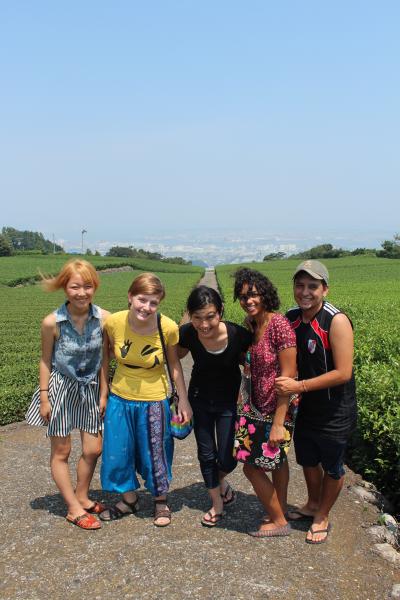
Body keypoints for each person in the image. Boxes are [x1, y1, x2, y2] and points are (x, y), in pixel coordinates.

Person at [99, 272, 192, 527]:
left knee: (156, 451)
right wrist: (104, 393)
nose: (147, 308)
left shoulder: (168, 327)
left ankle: (160, 500)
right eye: (142, 300)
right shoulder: (114, 323)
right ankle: (129, 499)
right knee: (118, 451)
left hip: (154, 398)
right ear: (130, 297)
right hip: (120, 397)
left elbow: (174, 365)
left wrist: (183, 400)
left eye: (153, 303)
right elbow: (105, 359)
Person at [275, 260, 357, 544]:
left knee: (332, 465)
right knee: (308, 460)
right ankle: (312, 503)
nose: (305, 291)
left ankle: (322, 514)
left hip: (336, 409)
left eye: (313, 286)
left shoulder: (335, 320)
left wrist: (299, 386)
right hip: (307, 407)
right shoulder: (291, 318)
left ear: (325, 289)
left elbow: (343, 372)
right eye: (300, 285)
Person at [26, 259, 110, 530]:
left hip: (91, 389)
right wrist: (44, 396)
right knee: (62, 450)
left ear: (94, 286)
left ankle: (83, 495)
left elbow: (105, 359)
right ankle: (73, 508)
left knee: (93, 448)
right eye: (75, 286)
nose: (82, 292)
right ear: (65, 287)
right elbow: (45, 361)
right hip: (61, 388)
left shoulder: (104, 318)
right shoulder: (52, 322)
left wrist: (104, 391)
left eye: (88, 286)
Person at [178, 285, 252, 527]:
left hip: (229, 403)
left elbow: (253, 363)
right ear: (189, 315)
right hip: (199, 400)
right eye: (197, 317)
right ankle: (216, 503)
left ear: (220, 311)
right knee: (205, 453)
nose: (204, 324)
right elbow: (173, 357)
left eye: (210, 316)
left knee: (230, 456)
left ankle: (219, 480)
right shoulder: (188, 333)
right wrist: (181, 399)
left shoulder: (238, 335)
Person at [233, 268, 297, 537]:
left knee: (250, 466)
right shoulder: (253, 325)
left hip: (277, 409)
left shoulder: (278, 325)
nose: (248, 300)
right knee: (278, 463)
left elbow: (288, 376)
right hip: (257, 408)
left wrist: (278, 424)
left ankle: (279, 521)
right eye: (243, 296)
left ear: (265, 294)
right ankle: (278, 507)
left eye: (253, 294)